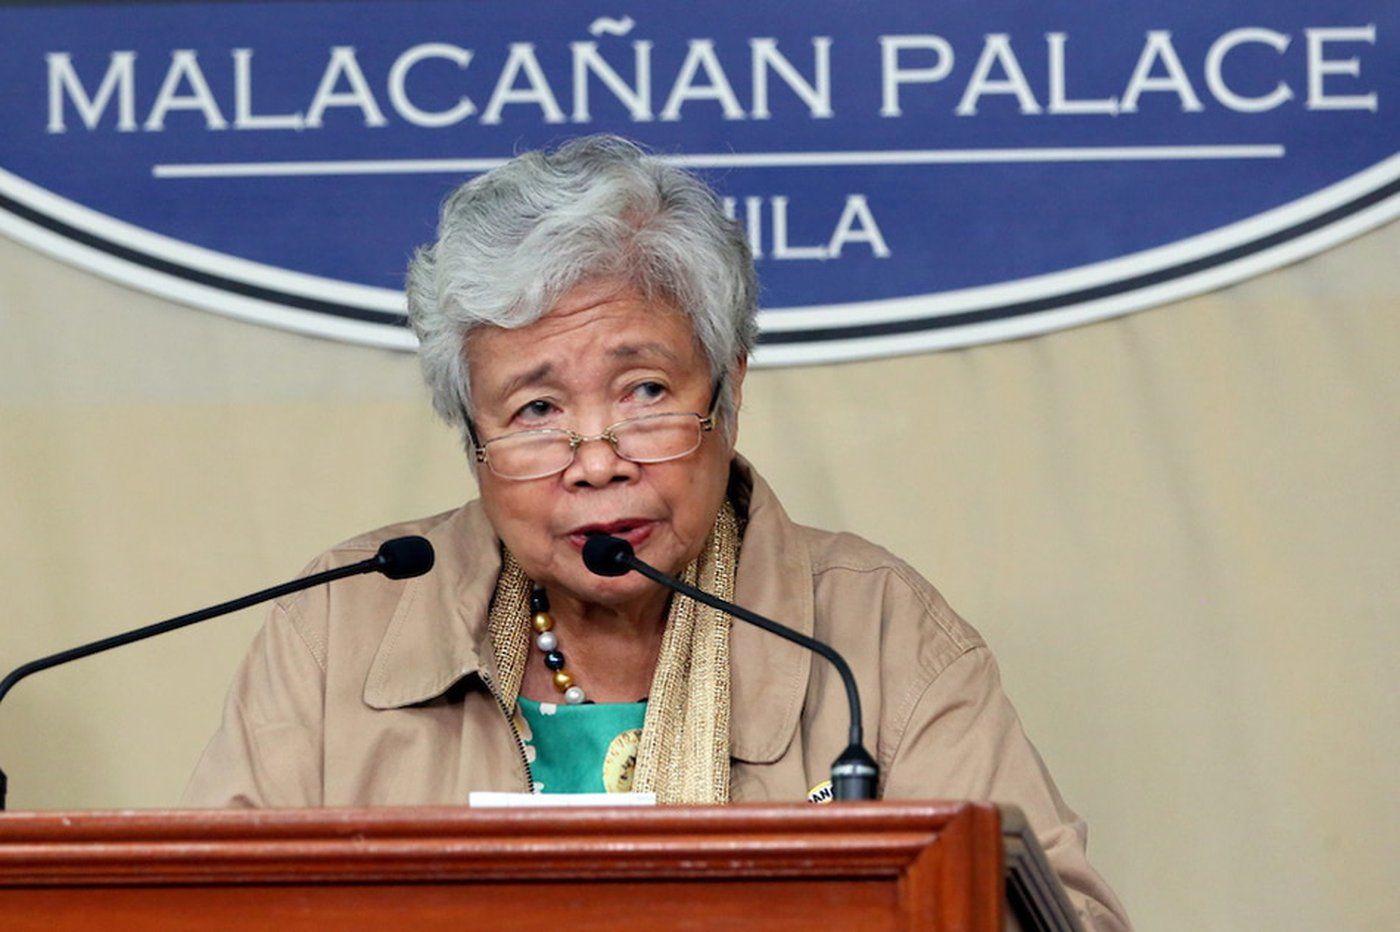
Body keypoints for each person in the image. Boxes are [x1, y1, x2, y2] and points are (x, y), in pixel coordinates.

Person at [184, 135, 1130, 928]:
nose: (596, 460)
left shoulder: (875, 636)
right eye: (537, 409)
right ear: (471, 435)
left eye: (643, 391)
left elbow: (1063, 916)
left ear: (729, 390)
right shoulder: (340, 628)